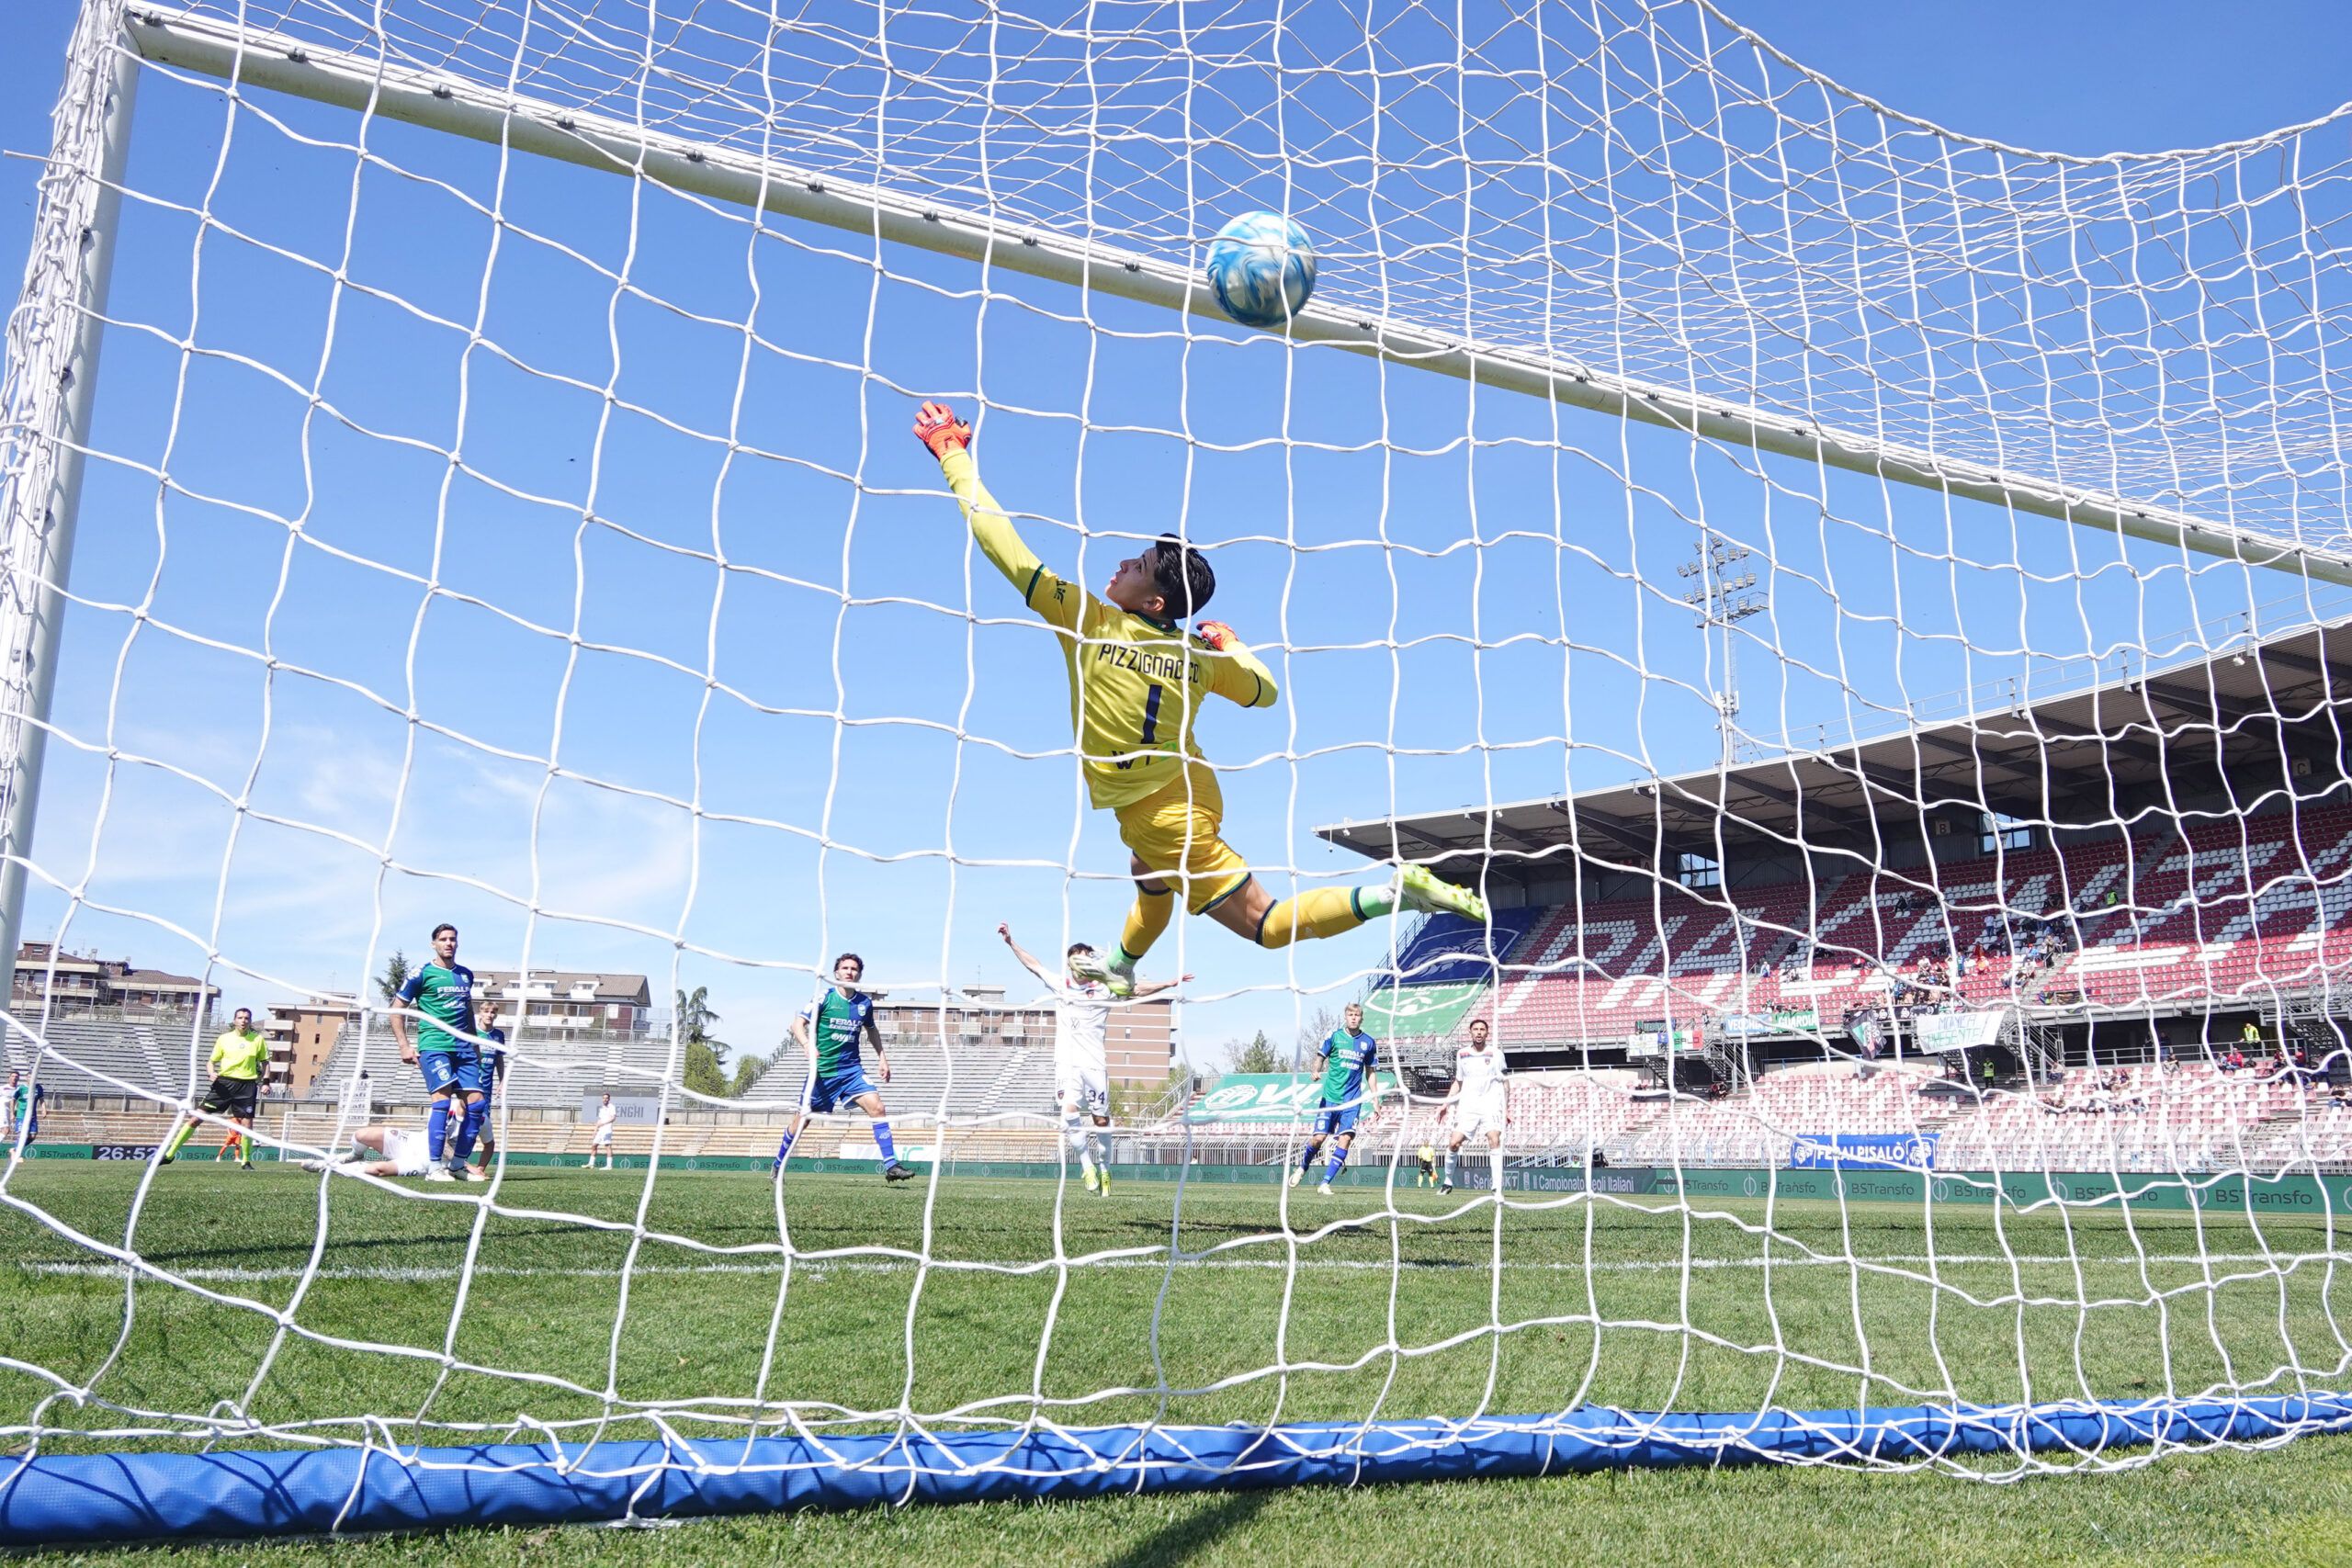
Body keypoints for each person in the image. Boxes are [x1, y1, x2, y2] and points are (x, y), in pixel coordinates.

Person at [912, 400, 1487, 998]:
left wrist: (953, 455)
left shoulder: (1087, 620)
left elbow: (1001, 543)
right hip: (1192, 786)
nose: (1121, 563)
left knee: (1265, 924)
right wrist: (1232, 643)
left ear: (1155, 602)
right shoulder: (1198, 656)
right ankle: (1123, 963)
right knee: (1147, 874)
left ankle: (1393, 892)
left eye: (1134, 565)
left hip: (1162, 813)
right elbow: (1264, 692)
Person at [1001, 922, 1184, 1196]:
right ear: (1072, 965)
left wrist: (1167, 984)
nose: (1084, 966)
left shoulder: (1103, 988)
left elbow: (1135, 989)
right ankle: (1087, 1167)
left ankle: (1105, 1169)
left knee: (1101, 1122)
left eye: (1088, 960)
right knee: (1068, 1113)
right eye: (1079, 961)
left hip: (1095, 1063)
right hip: (1066, 1061)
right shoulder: (1060, 984)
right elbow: (1034, 965)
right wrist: (1011, 942)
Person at [771, 953, 918, 1183]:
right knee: (802, 1121)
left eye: (854, 969)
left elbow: (872, 1031)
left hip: (852, 1071)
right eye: (845, 968)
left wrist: (882, 1058)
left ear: (859, 974)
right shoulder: (824, 998)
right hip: (823, 1073)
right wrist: (807, 1044)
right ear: (837, 972)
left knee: (878, 1108)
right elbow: (797, 1024)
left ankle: (891, 1164)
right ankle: (778, 1164)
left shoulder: (864, 1004)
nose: (850, 972)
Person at [392, 924, 487, 1183]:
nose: (449, 943)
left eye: (453, 939)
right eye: (443, 939)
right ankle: (435, 1168)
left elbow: (468, 1013)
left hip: (464, 1048)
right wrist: (404, 1045)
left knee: (477, 1105)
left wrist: (475, 1045)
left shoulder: (466, 975)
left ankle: (457, 1166)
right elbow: (397, 1008)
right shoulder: (421, 973)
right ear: (433, 944)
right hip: (435, 1046)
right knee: (443, 1103)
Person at [161, 1007, 270, 1168]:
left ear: (250, 1021)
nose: (243, 1021)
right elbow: (211, 1061)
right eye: (240, 1018)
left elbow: (265, 1062)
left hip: (246, 1086)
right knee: (196, 1118)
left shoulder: (257, 1040)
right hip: (224, 1084)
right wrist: (211, 1073)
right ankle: (170, 1155)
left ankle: (246, 1161)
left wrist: (266, 1082)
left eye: (246, 1018)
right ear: (234, 1020)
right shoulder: (224, 1039)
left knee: (247, 1125)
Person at [1292, 1002, 1382, 1196]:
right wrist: (1315, 1069)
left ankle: (1325, 1183)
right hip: (1330, 1098)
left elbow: (1371, 1073)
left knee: (1346, 1139)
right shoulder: (1334, 1037)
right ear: (1345, 1017)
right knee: (1318, 1139)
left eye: (1357, 1015)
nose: (1353, 1018)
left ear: (1361, 1018)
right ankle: (1303, 1166)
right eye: (1350, 1014)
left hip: (1352, 1101)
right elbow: (1319, 1057)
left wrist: (1375, 1099)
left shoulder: (1369, 1043)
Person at [1438, 1018, 1508, 1197]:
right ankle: (1447, 1182)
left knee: (1494, 1139)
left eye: (1482, 1029)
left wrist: (1507, 1108)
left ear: (1487, 1033)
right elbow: (1458, 1082)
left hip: (1490, 1103)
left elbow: (1504, 1082)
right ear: (1470, 1032)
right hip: (1468, 1104)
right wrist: (1446, 1104)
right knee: (1454, 1143)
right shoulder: (1462, 1054)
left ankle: (1496, 1187)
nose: (1478, 1032)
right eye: (1475, 1029)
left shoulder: (1496, 1054)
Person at [300, 1122, 436, 1179]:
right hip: (416, 1140)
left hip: (427, 1160)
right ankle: (355, 1156)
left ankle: (327, 1166)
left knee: (376, 1170)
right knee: (361, 1135)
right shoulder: (446, 1099)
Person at [469, 1001, 508, 1176]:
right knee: (468, 1126)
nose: (489, 1015)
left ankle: (480, 1169)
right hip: (469, 1086)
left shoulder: (498, 1035)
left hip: (486, 1089)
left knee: (483, 1126)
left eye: (493, 1012)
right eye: (486, 1011)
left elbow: (499, 1059)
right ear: (480, 1013)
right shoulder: (471, 1032)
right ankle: (458, 1163)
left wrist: (502, 1080)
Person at [584, 1092, 616, 1170]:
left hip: (607, 1129)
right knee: (594, 1145)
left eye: (606, 1098)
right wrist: (595, 1130)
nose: (605, 1099)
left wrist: (604, 1123)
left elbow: (613, 1118)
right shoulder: (601, 1108)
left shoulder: (611, 1107)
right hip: (600, 1130)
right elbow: (599, 1120)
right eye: (604, 1098)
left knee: (607, 1146)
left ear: (609, 1099)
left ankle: (609, 1166)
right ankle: (591, 1164)